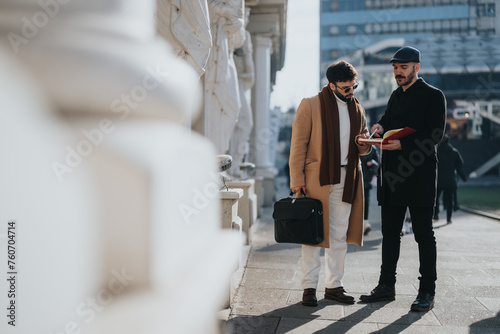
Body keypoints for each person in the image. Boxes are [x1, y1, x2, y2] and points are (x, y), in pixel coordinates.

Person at [359, 46, 446, 312]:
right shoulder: (396, 96)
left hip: (419, 174)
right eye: (396, 68)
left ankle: (426, 291)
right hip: (393, 175)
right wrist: (379, 127)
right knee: (390, 234)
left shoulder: (434, 95)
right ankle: (386, 286)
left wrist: (402, 147)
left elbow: (435, 135)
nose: (398, 72)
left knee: (423, 234)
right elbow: (388, 120)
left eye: (404, 68)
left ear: (416, 68)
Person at [289, 61, 371, 307]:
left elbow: (363, 149)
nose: (351, 92)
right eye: (346, 88)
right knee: (313, 235)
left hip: (348, 179)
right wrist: (297, 181)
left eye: (353, 86)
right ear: (332, 85)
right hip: (317, 180)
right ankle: (309, 288)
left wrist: (366, 142)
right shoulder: (310, 105)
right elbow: (298, 146)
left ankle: (334, 286)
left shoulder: (358, 109)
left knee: (338, 235)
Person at [433, 135, 467, 223]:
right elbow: (459, 167)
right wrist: (464, 178)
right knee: (449, 200)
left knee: (436, 198)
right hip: (450, 180)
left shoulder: (436, 152)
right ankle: (449, 218)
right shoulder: (454, 152)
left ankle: (436, 215)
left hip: (438, 179)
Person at [360, 147, 379, 235]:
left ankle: (365, 223)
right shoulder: (354, 145)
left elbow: (377, 163)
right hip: (354, 179)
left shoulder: (372, 149)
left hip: (366, 180)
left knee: (365, 202)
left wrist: (372, 163)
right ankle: (355, 224)